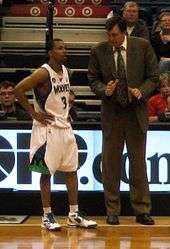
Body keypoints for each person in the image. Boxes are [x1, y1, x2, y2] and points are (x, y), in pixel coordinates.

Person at [14, 38, 97, 231]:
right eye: (60, 48)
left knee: (71, 170)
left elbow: (63, 95)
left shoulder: (66, 71)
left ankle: (73, 214)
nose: (64, 51)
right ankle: (46, 216)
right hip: (47, 129)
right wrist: (33, 113)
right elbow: (18, 89)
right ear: (50, 52)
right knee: (45, 173)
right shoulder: (43, 72)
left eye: (65, 47)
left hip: (65, 127)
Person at [88, 16, 159, 225]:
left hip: (135, 112)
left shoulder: (143, 46)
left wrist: (141, 91)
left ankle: (142, 210)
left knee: (138, 165)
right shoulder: (98, 50)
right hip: (112, 113)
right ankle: (112, 210)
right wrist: (104, 89)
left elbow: (154, 77)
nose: (111, 39)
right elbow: (92, 80)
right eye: (108, 35)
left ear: (124, 33)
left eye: (115, 35)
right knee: (110, 165)